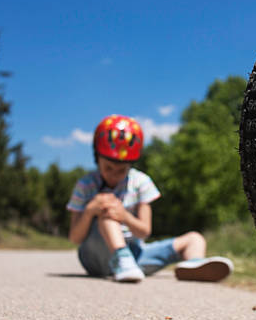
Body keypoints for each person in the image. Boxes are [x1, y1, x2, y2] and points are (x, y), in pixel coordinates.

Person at [67, 114, 233, 283]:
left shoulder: (141, 182)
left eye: (121, 170)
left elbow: (144, 231)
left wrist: (124, 216)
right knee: (107, 212)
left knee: (195, 238)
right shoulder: (85, 184)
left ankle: (193, 265)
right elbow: (75, 238)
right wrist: (89, 211)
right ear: (97, 157)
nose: (114, 175)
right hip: (95, 256)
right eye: (108, 168)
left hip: (135, 254)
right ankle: (121, 259)